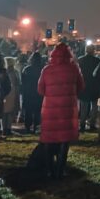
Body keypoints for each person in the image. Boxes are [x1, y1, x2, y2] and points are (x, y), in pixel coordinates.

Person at [38, 43, 84, 178]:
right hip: (68, 109)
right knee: (65, 140)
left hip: (50, 109)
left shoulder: (46, 70)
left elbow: (40, 90)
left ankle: (49, 170)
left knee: (48, 138)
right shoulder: (74, 69)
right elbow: (81, 86)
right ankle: (60, 170)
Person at [78, 45, 100, 132]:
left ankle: (82, 124)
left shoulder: (80, 60)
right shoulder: (97, 60)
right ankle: (92, 124)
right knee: (94, 106)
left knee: (83, 106)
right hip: (94, 86)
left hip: (83, 86)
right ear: (93, 51)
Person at [21, 52, 44, 133]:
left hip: (28, 93)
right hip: (39, 93)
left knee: (28, 111)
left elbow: (23, 82)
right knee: (38, 110)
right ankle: (36, 127)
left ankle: (27, 127)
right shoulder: (43, 69)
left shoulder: (26, 69)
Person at [2, 57, 21, 136]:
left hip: (4, 93)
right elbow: (18, 83)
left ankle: (4, 129)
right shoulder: (15, 72)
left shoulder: (3, 72)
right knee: (10, 113)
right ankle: (8, 129)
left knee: (4, 113)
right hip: (12, 93)